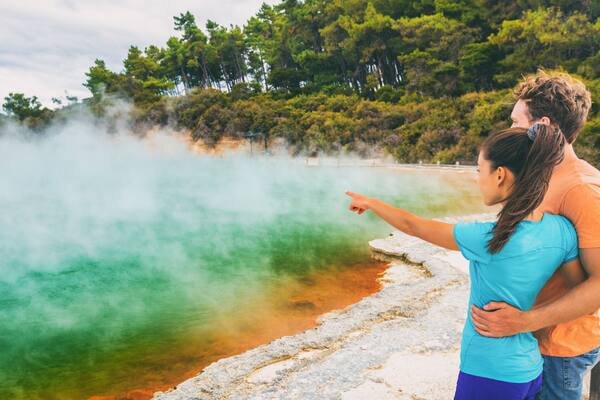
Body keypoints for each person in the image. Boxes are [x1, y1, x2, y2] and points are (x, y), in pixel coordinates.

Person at [346, 123, 581, 400]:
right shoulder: (562, 230)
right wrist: (530, 320)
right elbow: (577, 289)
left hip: (487, 372)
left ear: (500, 175)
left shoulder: (489, 239)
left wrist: (372, 203)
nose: (476, 179)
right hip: (530, 369)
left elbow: (414, 225)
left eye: (479, 170)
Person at [469, 71, 600, 400]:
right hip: (530, 340)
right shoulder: (539, 176)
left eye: (516, 122)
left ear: (543, 126)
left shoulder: (583, 189)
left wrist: (523, 321)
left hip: (560, 350)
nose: (509, 131)